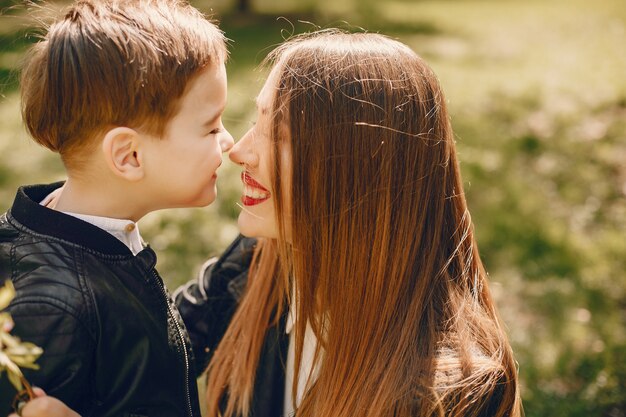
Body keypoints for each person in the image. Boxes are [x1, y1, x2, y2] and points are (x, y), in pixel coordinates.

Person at [11, 30, 523, 417]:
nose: (239, 149)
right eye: (255, 119)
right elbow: (149, 344)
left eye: (277, 133)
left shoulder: (452, 392)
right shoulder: (260, 263)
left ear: (355, 170)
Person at [0, 1, 233, 416]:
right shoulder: (50, 309)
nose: (229, 142)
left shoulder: (96, 238)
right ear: (129, 156)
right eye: (211, 127)